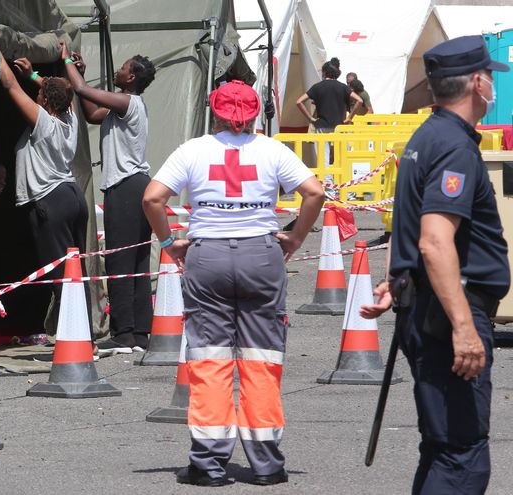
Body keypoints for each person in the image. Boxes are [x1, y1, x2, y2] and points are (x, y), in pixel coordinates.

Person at [143, 81, 325, 487]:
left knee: (210, 359)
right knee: (262, 359)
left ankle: (208, 464)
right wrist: (295, 236)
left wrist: (171, 243)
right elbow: (314, 193)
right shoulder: (273, 150)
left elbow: (152, 199)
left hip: (207, 256)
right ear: (257, 112)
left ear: (216, 112)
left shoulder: (193, 150)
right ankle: (266, 465)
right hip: (261, 254)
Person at [360, 35, 509, 494]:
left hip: (425, 305)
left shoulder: (425, 137)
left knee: (443, 448)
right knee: (462, 458)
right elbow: (435, 241)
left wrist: (395, 278)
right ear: (478, 83)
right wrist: (464, 325)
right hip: (448, 314)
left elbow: (405, 222)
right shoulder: (453, 147)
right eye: (490, 80)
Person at [60, 41, 156, 354]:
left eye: (123, 68)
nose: (118, 70)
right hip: (138, 186)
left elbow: (82, 90)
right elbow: (90, 113)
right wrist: (81, 75)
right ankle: (140, 331)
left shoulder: (128, 102)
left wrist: (67, 63)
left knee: (119, 258)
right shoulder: (124, 106)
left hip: (126, 187)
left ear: (132, 78)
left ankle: (124, 333)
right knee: (138, 260)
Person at [0, 54, 93, 338]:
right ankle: (84, 336)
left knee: (62, 276)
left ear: (46, 103)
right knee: (76, 273)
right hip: (72, 196)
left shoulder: (44, 122)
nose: (36, 96)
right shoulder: (70, 117)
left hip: (52, 201)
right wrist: (34, 75)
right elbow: (65, 91)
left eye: (39, 94)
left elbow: (10, 86)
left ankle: (75, 341)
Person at [297, 57, 362, 133]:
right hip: (339, 127)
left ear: (324, 72)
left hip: (322, 126)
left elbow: (299, 102)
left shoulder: (317, 87)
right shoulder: (343, 87)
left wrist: (310, 119)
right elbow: (359, 100)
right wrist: (350, 117)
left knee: (322, 145)